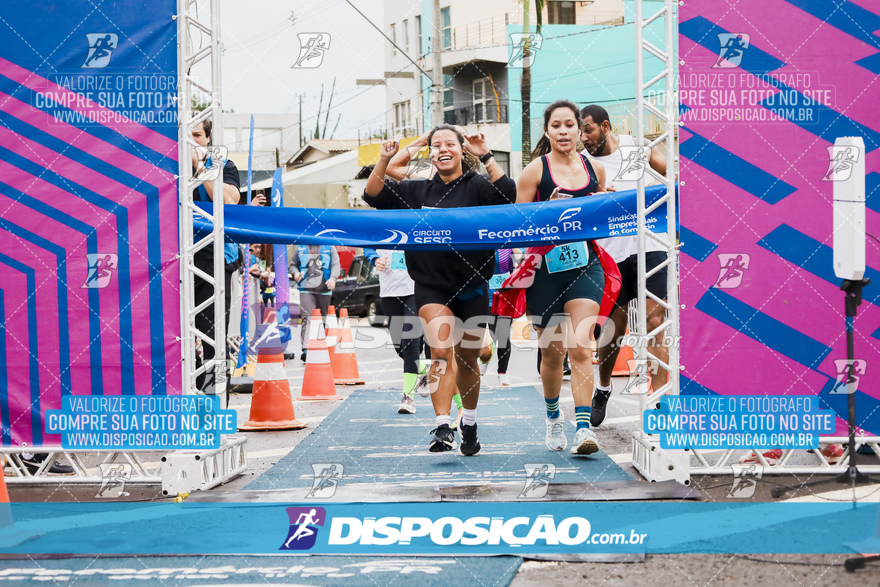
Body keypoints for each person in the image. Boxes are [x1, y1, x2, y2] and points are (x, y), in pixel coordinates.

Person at [363, 125, 517, 456]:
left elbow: (507, 194)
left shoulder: (477, 186)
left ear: (462, 151)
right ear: (430, 153)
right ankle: (443, 424)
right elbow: (373, 194)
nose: (443, 148)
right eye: (436, 145)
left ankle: (470, 423)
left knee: (468, 360)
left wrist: (486, 153)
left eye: (450, 143)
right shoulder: (417, 191)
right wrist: (385, 158)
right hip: (431, 286)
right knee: (440, 353)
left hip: (473, 285)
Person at [515, 100, 608, 456]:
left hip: (585, 266)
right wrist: (544, 212)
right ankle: (554, 417)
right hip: (545, 272)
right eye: (557, 126)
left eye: (570, 125)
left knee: (581, 347)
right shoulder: (533, 172)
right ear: (547, 131)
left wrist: (604, 202)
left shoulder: (595, 169)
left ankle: (584, 427)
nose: (564, 131)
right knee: (552, 355)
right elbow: (518, 228)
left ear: (579, 131)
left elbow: (602, 219)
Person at [579, 104, 668, 426]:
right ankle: (603, 387)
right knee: (612, 330)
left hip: (651, 245)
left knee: (655, 320)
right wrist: (600, 196)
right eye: (580, 133)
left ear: (605, 126)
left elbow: (671, 175)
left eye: (588, 130)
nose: (584, 138)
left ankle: (661, 400)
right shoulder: (585, 165)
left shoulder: (636, 147)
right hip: (611, 255)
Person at [191, 119, 242, 393]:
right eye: (184, 135)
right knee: (179, 342)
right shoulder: (166, 168)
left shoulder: (223, 165)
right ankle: (188, 402)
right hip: (173, 261)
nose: (190, 140)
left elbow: (227, 200)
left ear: (208, 139)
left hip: (213, 260)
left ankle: (214, 407)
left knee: (213, 339)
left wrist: (201, 166)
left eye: (196, 135)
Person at [364, 247, 425, 414]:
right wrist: (374, 258)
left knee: (410, 341)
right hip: (389, 293)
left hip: (415, 291)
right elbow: (367, 243)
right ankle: (425, 371)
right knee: (401, 349)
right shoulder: (379, 225)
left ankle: (408, 397)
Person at [290, 245, 340, 361]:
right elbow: (293, 265)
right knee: (308, 318)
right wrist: (296, 273)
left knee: (322, 320)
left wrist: (333, 278)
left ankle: (319, 346)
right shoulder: (300, 248)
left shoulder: (330, 247)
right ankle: (307, 349)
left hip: (325, 290)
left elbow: (335, 265)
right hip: (306, 289)